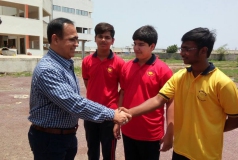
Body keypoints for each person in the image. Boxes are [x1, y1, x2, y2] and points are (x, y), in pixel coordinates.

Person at [122, 27, 238, 160]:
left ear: (204, 50)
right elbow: (158, 99)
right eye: (181, 48)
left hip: (206, 154)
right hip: (180, 150)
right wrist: (128, 113)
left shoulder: (222, 83)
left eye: (187, 49)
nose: (182, 53)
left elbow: (235, 118)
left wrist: (213, 129)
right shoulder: (180, 76)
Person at [28, 18, 131, 160]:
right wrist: (113, 115)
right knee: (92, 151)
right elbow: (74, 103)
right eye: (72, 40)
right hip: (50, 140)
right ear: (55, 39)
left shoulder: (64, 65)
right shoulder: (48, 69)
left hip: (66, 136)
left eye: (77, 39)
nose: (76, 44)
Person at [113, 25, 174, 160]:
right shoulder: (127, 67)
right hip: (128, 129)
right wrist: (117, 122)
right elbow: (122, 93)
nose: (136, 48)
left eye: (141, 44)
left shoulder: (163, 70)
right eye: (134, 44)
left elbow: (171, 101)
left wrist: (170, 133)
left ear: (152, 46)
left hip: (150, 132)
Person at [82, 22, 125, 160]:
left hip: (110, 115)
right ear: (95, 38)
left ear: (112, 40)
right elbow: (88, 83)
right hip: (90, 113)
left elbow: (122, 91)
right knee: (92, 152)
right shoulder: (87, 61)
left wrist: (117, 120)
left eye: (107, 37)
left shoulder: (119, 63)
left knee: (109, 153)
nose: (103, 40)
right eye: (100, 36)